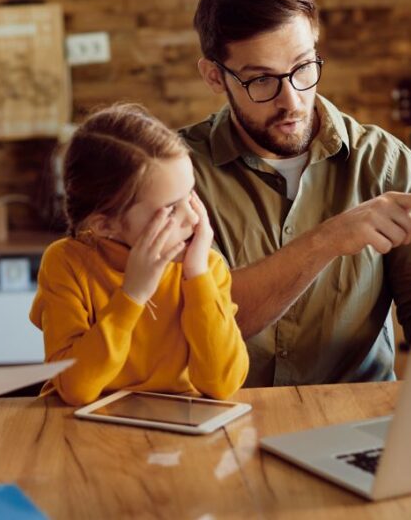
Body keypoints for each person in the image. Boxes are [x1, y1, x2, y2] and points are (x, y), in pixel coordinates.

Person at [182, 0, 411, 386]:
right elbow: (204, 325)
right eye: (261, 80)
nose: (292, 100)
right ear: (214, 76)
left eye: (303, 67)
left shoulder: (388, 165)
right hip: (229, 416)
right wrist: (328, 240)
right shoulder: (177, 175)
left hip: (357, 415)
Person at [30, 104, 249, 406]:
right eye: (170, 209)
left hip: (177, 426)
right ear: (105, 225)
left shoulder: (204, 265)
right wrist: (133, 294)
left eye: (190, 196)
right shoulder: (66, 263)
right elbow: (75, 388)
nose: (193, 219)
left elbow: (223, 384)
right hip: (81, 425)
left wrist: (197, 277)